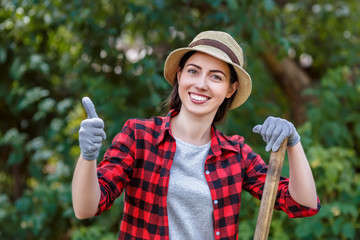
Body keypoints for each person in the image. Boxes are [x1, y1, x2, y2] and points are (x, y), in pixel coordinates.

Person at [72, 31, 320, 240]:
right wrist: (88, 156)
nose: (201, 84)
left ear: (230, 89)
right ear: (179, 75)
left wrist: (293, 143)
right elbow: (86, 208)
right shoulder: (139, 137)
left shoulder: (235, 154)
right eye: (193, 71)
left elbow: (303, 203)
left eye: (216, 76)